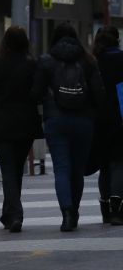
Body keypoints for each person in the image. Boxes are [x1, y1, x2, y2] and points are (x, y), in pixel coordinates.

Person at [31, 23, 106, 232]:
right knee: (77, 170)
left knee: (62, 169)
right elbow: (99, 95)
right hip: (84, 122)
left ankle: (66, 212)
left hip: (56, 121)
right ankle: (75, 210)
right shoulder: (89, 61)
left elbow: (36, 93)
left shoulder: (46, 60)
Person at [0, 26, 43, 233]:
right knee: (16, 169)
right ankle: (10, 213)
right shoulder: (32, 65)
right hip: (25, 122)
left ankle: (13, 214)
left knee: (8, 169)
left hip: (1, 123)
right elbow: (37, 93)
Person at [91, 27, 123, 225]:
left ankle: (104, 208)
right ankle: (118, 210)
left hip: (98, 119)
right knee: (119, 163)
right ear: (117, 40)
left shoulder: (93, 61)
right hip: (120, 118)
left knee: (104, 166)